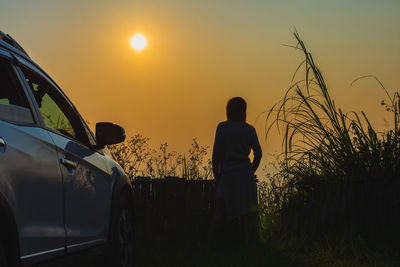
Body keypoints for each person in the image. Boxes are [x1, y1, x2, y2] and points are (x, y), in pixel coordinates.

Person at [210, 96, 262, 244]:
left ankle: (211, 243)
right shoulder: (249, 129)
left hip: (227, 175)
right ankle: (250, 243)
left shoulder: (223, 127)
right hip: (245, 176)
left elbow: (216, 155)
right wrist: (251, 170)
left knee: (220, 211)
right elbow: (258, 153)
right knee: (249, 213)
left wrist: (216, 175)